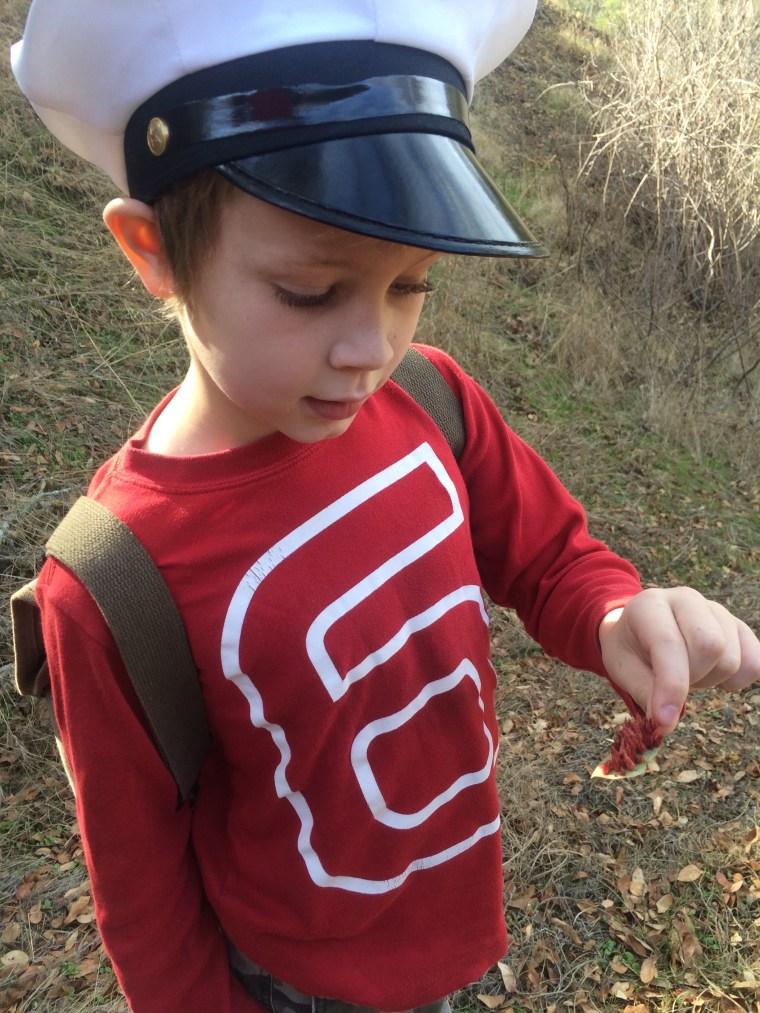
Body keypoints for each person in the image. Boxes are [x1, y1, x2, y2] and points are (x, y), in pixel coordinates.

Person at [11, 1, 760, 1012]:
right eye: (311, 291)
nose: (372, 347)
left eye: (410, 284)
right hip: (292, 985)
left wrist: (618, 617)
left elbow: (550, 559)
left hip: (452, 934)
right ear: (152, 252)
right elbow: (141, 897)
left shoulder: (434, 404)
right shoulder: (111, 582)